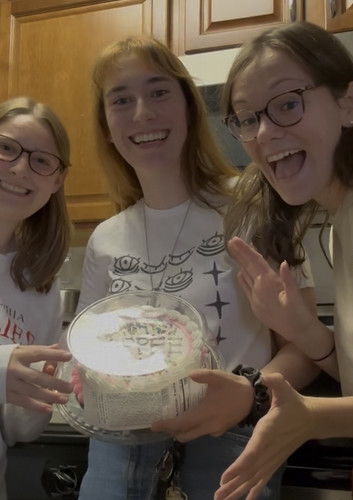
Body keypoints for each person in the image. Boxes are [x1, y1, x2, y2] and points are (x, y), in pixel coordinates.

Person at [199, 21, 353, 500]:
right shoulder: (345, 216)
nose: (265, 132)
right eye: (246, 118)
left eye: (288, 104)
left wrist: (316, 418)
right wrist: (305, 331)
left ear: (348, 104)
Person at [76, 35, 320, 500]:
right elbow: (85, 356)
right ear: (107, 126)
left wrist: (250, 393)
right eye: (121, 99)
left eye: (159, 91)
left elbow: (306, 348)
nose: (143, 113)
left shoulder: (250, 206)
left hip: (230, 444)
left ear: (189, 106)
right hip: (117, 454)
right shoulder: (104, 239)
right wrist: (80, 374)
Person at [0, 96, 75, 500]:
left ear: (56, 181)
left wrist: (46, 387)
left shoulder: (40, 289)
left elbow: (13, 429)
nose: (21, 168)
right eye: (6, 147)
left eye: (42, 161)